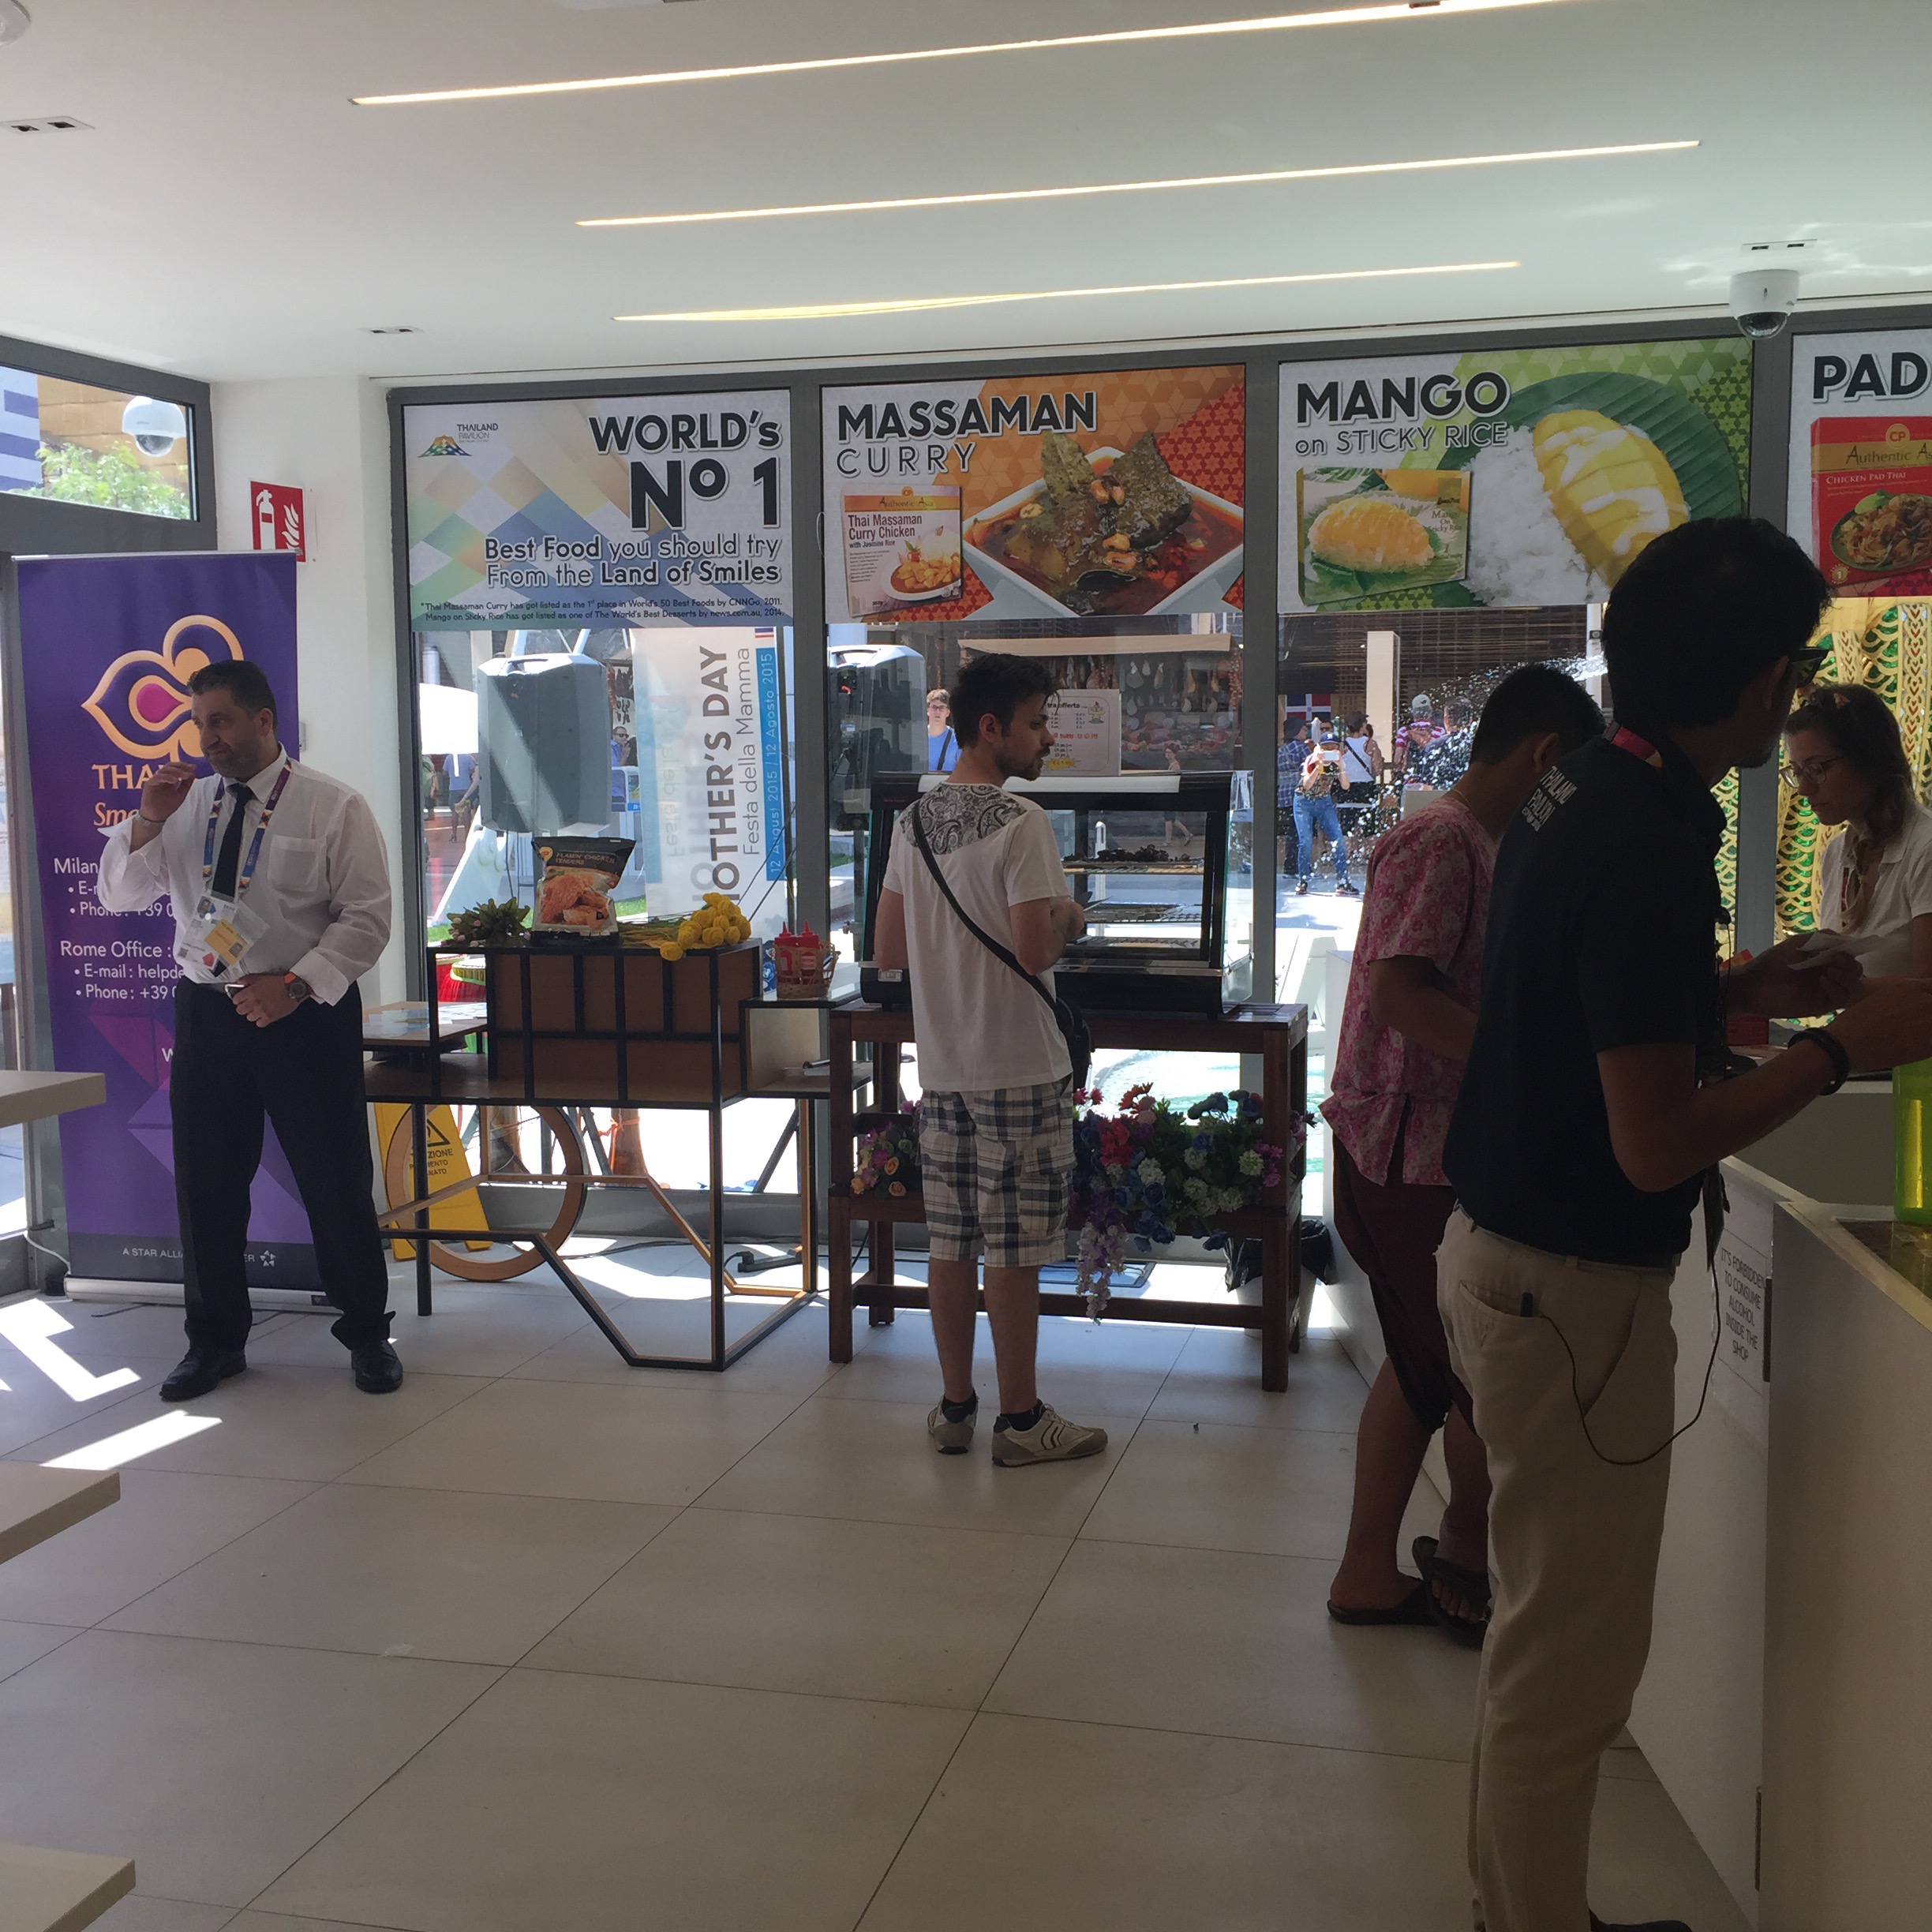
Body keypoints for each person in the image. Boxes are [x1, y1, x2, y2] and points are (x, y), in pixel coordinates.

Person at [1440, 517, 1932, 1932]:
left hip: (1503, 1259)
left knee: (1543, 1636)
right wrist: (1838, 1048)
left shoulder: (1583, 782)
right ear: (1766, 678)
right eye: (1799, 674)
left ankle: (1514, 1904)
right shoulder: (1646, 835)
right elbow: (1653, 1143)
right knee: (1570, 1662)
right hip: (1569, 1293)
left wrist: (1736, 991)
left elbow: (1584, 995)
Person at [1323, 667, 1604, 1651]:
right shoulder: (1442, 838)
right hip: (1409, 1148)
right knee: (1481, 1376)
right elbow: (1402, 993)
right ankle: (1464, 1551)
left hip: (1425, 1143)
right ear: (1544, 756)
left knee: (1421, 1365)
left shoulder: (1478, 841)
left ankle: (1368, 1571)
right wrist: (1528, 1062)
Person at [97, 661, 402, 1399]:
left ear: (264, 721)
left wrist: (294, 985)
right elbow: (118, 896)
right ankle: (214, 1342)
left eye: (222, 722)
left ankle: (367, 1334)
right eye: (199, 723)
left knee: (333, 1179)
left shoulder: (332, 805)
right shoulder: (183, 805)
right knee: (207, 1184)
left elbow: (367, 918)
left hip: (305, 1013)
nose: (208, 739)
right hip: (208, 1012)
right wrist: (148, 819)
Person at [872, 653, 1108, 1469]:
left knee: (951, 1243)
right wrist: (1072, 914)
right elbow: (1036, 946)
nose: (1047, 739)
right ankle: (1021, 1421)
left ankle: (954, 1409)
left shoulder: (911, 822)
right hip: (1019, 1064)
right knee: (1013, 1250)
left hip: (944, 1068)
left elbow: (889, 949)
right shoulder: (1022, 821)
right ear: (990, 728)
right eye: (1036, 724)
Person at [1784, 682, 1932, 976]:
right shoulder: (1837, 853)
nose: (1804, 789)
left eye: (1817, 769)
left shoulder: (1924, 848)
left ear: (1868, 758)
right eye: (1797, 773)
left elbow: (1924, 990)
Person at [1294, 719, 1353, 897]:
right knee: (1305, 842)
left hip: (1324, 802)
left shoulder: (1338, 764)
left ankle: (1343, 881)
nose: (1330, 751)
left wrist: (1341, 767)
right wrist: (1318, 766)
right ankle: (1303, 880)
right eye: (1326, 748)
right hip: (1303, 802)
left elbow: (1345, 786)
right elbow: (1307, 785)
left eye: (1333, 748)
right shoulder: (1311, 760)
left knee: (1338, 839)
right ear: (1320, 748)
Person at [925, 687, 960, 773]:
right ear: (927, 710)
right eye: (934, 707)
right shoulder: (918, 738)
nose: (937, 711)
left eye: (942, 708)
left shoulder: (957, 739)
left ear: (948, 712)